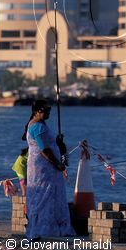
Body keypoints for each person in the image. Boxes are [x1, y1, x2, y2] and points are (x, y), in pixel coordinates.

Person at [22, 100, 75, 240]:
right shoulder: (38, 127)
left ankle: (46, 227)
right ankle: (44, 229)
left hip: (39, 167)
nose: (48, 114)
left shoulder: (36, 125)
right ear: (37, 111)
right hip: (44, 168)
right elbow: (44, 149)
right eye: (46, 111)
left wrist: (57, 141)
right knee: (45, 195)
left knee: (44, 194)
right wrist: (57, 163)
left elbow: (48, 144)